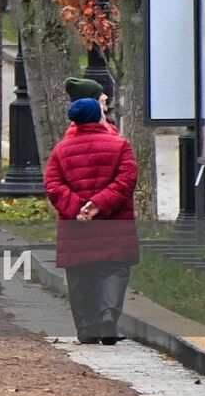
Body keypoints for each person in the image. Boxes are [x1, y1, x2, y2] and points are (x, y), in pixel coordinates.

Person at [45, 97, 139, 345]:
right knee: (114, 270)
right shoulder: (120, 145)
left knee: (79, 275)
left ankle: (86, 328)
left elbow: (53, 186)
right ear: (98, 115)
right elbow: (127, 180)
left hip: (76, 227)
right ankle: (108, 315)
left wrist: (78, 207)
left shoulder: (61, 150)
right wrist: (99, 204)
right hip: (114, 223)